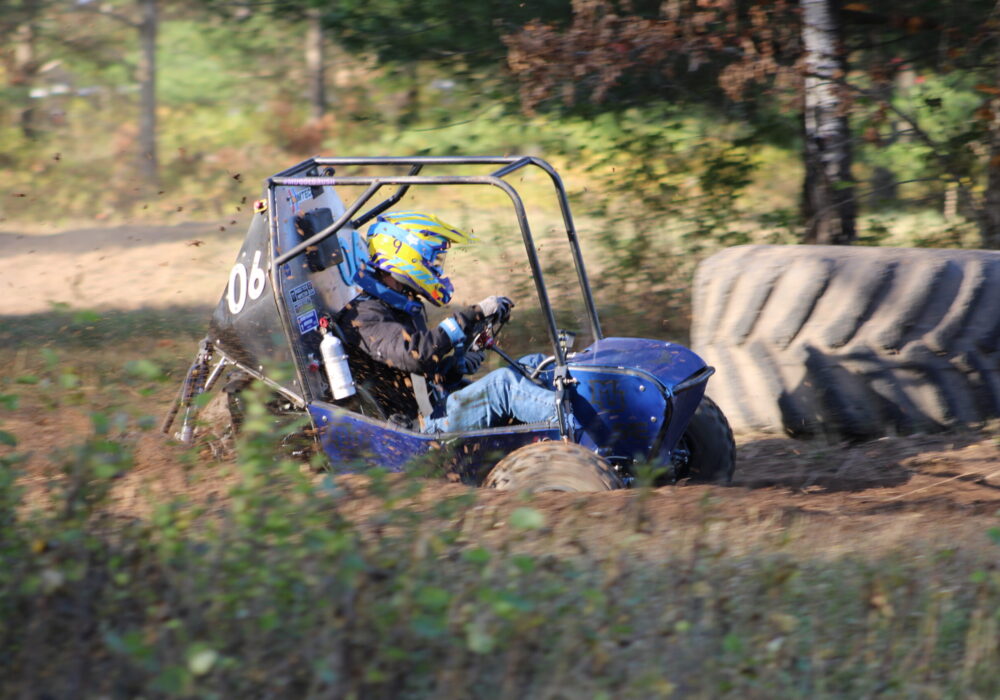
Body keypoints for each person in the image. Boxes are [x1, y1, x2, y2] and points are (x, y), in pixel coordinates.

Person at [337, 211, 566, 434]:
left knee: (535, 366)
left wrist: (457, 363)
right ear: (407, 256)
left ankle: (573, 429)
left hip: (433, 409)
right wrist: (470, 316)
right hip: (413, 433)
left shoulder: (400, 305)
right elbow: (415, 355)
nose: (437, 268)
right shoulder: (363, 316)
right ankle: (582, 429)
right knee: (504, 385)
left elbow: (422, 375)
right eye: (433, 260)